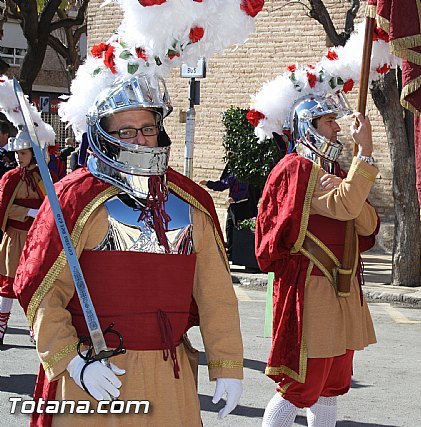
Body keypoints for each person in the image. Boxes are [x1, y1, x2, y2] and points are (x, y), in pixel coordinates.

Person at [13, 74, 244, 425]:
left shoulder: (190, 202)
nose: (140, 138)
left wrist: (227, 364)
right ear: (103, 136)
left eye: (148, 128)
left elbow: (216, 294)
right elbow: (41, 292)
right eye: (126, 131)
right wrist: (72, 362)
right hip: (95, 376)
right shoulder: (75, 200)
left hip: (169, 376)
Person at [255, 89, 380, 427]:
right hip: (312, 288)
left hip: (341, 287)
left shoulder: (334, 170)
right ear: (308, 126)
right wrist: (364, 155)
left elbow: (366, 222)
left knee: (331, 385)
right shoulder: (299, 170)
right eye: (329, 122)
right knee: (300, 385)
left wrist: (350, 181)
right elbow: (346, 206)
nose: (338, 129)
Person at [0, 131, 47, 346]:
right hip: (14, 237)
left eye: (24, 153)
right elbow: (3, 208)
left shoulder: (44, 177)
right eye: (17, 153)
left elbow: (52, 204)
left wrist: (40, 214)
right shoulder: (10, 178)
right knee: (8, 283)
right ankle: (1, 325)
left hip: (36, 239)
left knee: (34, 283)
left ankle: (33, 325)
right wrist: (27, 213)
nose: (19, 157)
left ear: (33, 153)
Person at [199, 167, 259, 259]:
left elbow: (244, 190)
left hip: (243, 206)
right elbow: (223, 184)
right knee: (229, 228)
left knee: (239, 230)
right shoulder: (234, 173)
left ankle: (239, 254)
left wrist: (235, 198)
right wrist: (208, 183)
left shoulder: (245, 174)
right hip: (234, 206)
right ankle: (231, 252)